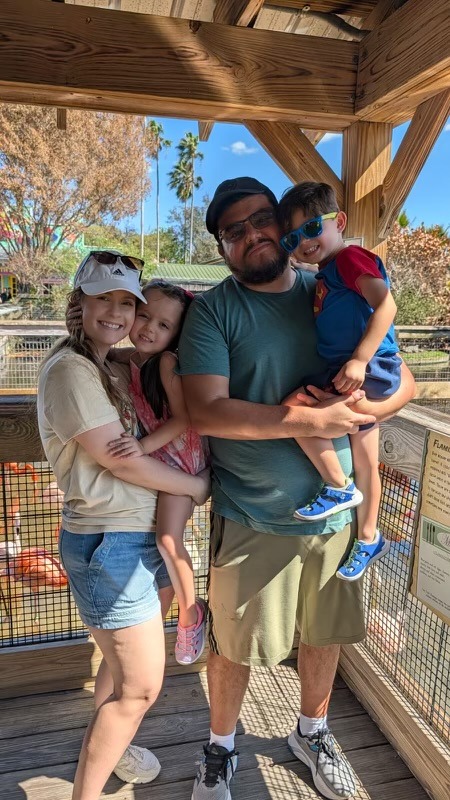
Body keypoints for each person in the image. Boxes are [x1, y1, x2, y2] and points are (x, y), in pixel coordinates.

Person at [177, 177, 416, 800]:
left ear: (283, 224)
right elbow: (205, 411)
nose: (253, 234)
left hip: (338, 517)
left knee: (325, 633)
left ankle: (312, 733)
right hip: (254, 512)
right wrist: (311, 422)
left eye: (261, 219)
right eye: (233, 230)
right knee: (234, 645)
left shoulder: (331, 283)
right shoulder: (214, 311)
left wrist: (359, 412)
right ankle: (220, 747)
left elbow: (405, 381)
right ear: (222, 247)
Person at [37, 250, 210, 800]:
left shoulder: (105, 364)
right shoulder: (72, 370)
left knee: (119, 671)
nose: (117, 313)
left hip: (135, 533)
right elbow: (123, 462)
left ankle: (115, 746)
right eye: (103, 299)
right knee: (139, 688)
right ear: (78, 303)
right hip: (113, 540)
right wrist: (197, 486)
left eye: (126, 303)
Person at [278, 181, 401, 581]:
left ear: (340, 221)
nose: (304, 242)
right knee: (366, 463)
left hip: (367, 367)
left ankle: (338, 486)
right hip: (349, 369)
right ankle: (369, 538)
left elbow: (387, 305)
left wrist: (360, 360)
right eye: (292, 239)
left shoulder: (349, 259)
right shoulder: (327, 275)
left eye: (313, 227)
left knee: (294, 409)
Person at [106, 279, 209, 665]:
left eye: (164, 325)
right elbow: (107, 354)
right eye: (144, 316)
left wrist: (142, 447)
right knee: (161, 540)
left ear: (176, 334)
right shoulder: (132, 357)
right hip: (162, 461)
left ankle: (190, 615)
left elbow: (184, 418)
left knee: (168, 540)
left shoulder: (166, 363)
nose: (149, 328)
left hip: (180, 462)